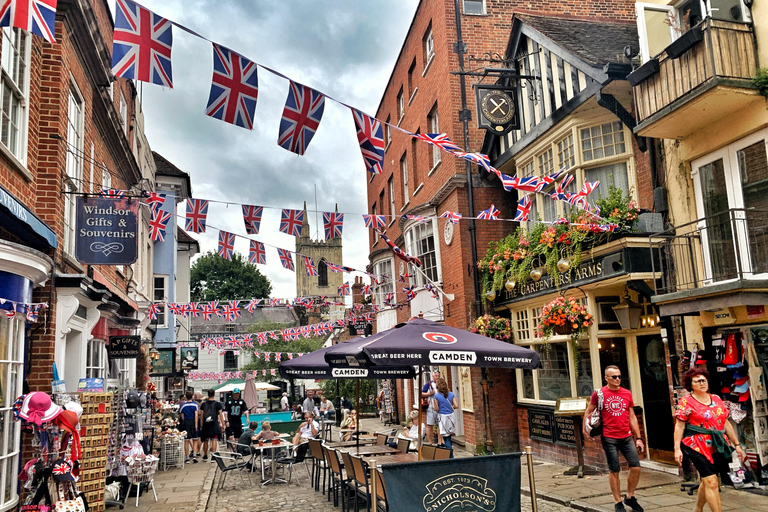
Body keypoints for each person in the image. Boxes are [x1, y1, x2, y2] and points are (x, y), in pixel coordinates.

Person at [674, 368, 745, 512]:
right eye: (697, 381)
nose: (702, 383)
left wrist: (737, 445)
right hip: (696, 444)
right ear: (690, 384)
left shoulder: (717, 399)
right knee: (712, 482)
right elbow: (679, 425)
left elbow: (725, 422)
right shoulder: (685, 401)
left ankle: (698, 509)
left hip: (718, 444)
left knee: (707, 481)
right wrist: (677, 449)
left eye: (704, 380)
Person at [583, 366, 644, 512]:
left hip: (626, 436)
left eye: (619, 376)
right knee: (614, 469)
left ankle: (629, 497)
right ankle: (617, 502)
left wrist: (639, 437)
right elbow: (588, 411)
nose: (618, 379)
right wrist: (586, 429)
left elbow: (632, 416)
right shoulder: (599, 394)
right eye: (614, 377)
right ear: (606, 378)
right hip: (609, 436)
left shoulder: (626, 393)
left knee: (635, 466)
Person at [433, 378, 458, 457]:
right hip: (451, 417)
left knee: (446, 439)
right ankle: (450, 454)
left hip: (443, 417)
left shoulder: (436, 396)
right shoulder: (451, 394)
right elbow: (456, 406)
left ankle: (450, 457)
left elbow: (436, 408)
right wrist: (451, 407)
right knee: (449, 436)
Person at [200, 389, 225, 462]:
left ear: (208, 394)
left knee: (205, 440)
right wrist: (222, 424)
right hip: (214, 424)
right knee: (214, 440)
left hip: (206, 424)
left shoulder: (203, 404)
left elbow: (201, 415)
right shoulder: (217, 404)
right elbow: (220, 415)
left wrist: (201, 425)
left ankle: (205, 455)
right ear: (214, 394)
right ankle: (213, 456)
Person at [422, 370, 442, 445]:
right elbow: (421, 394)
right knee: (430, 425)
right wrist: (429, 393)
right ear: (433, 376)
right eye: (436, 376)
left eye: (438, 376)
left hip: (440, 407)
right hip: (431, 406)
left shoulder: (441, 384)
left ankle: (440, 441)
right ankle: (429, 442)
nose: (437, 377)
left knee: (440, 424)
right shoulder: (429, 384)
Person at [179, 391, 199, 464]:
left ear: (186, 397)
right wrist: (196, 425)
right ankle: (194, 455)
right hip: (193, 422)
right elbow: (196, 415)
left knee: (186, 440)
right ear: (192, 396)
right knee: (195, 440)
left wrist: (184, 421)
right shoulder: (195, 405)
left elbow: (182, 415)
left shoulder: (183, 405)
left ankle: (187, 457)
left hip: (186, 422)